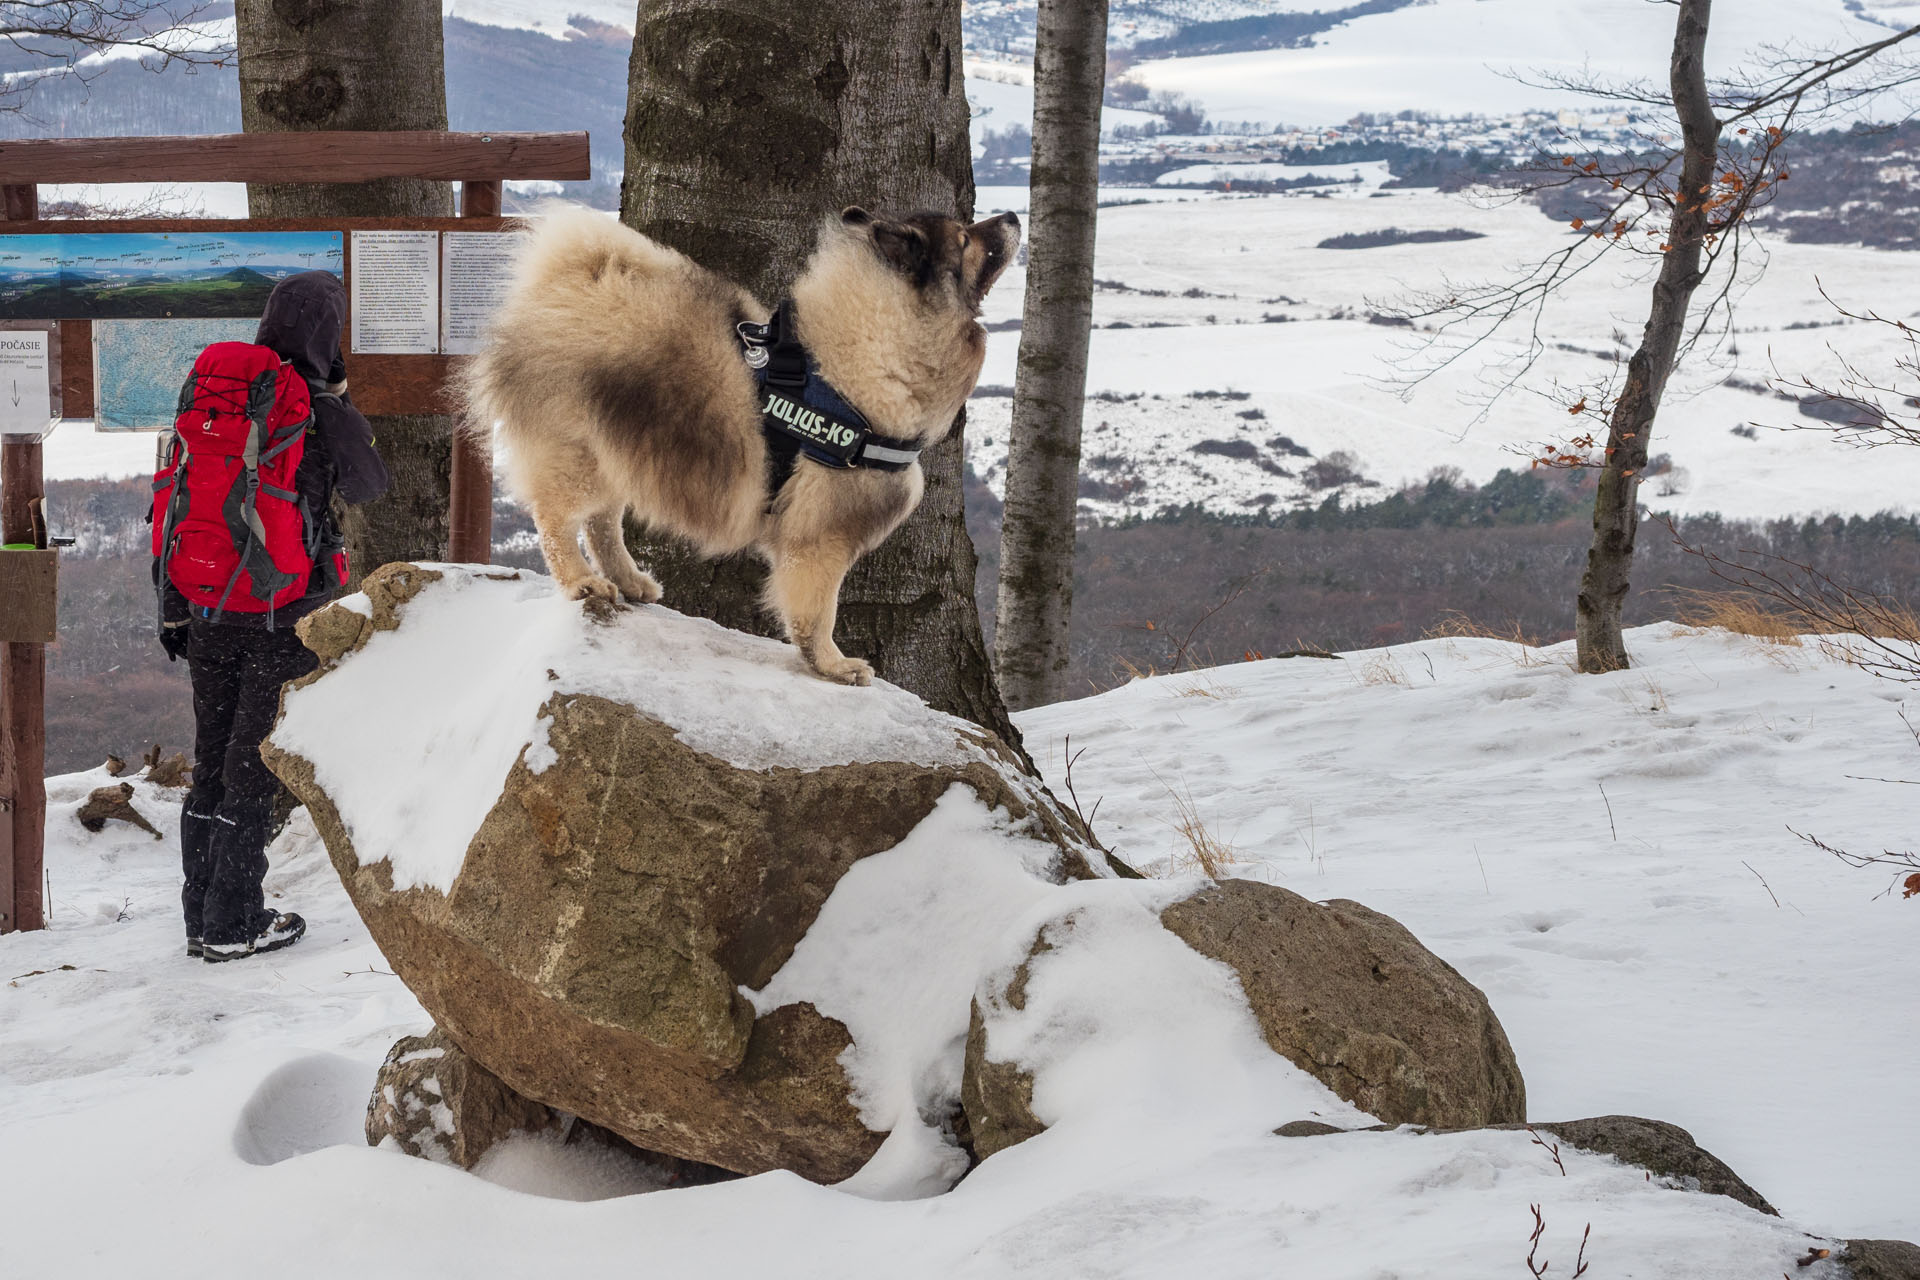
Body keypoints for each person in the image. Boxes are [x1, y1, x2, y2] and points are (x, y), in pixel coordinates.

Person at [158, 271, 390, 963]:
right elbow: (369, 485)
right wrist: (340, 404)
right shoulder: (315, 404)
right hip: (282, 612)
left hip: (205, 605)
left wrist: (174, 608)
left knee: (210, 764)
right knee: (251, 769)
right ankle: (233, 924)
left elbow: (175, 498)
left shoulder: (214, 391)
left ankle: (200, 917)